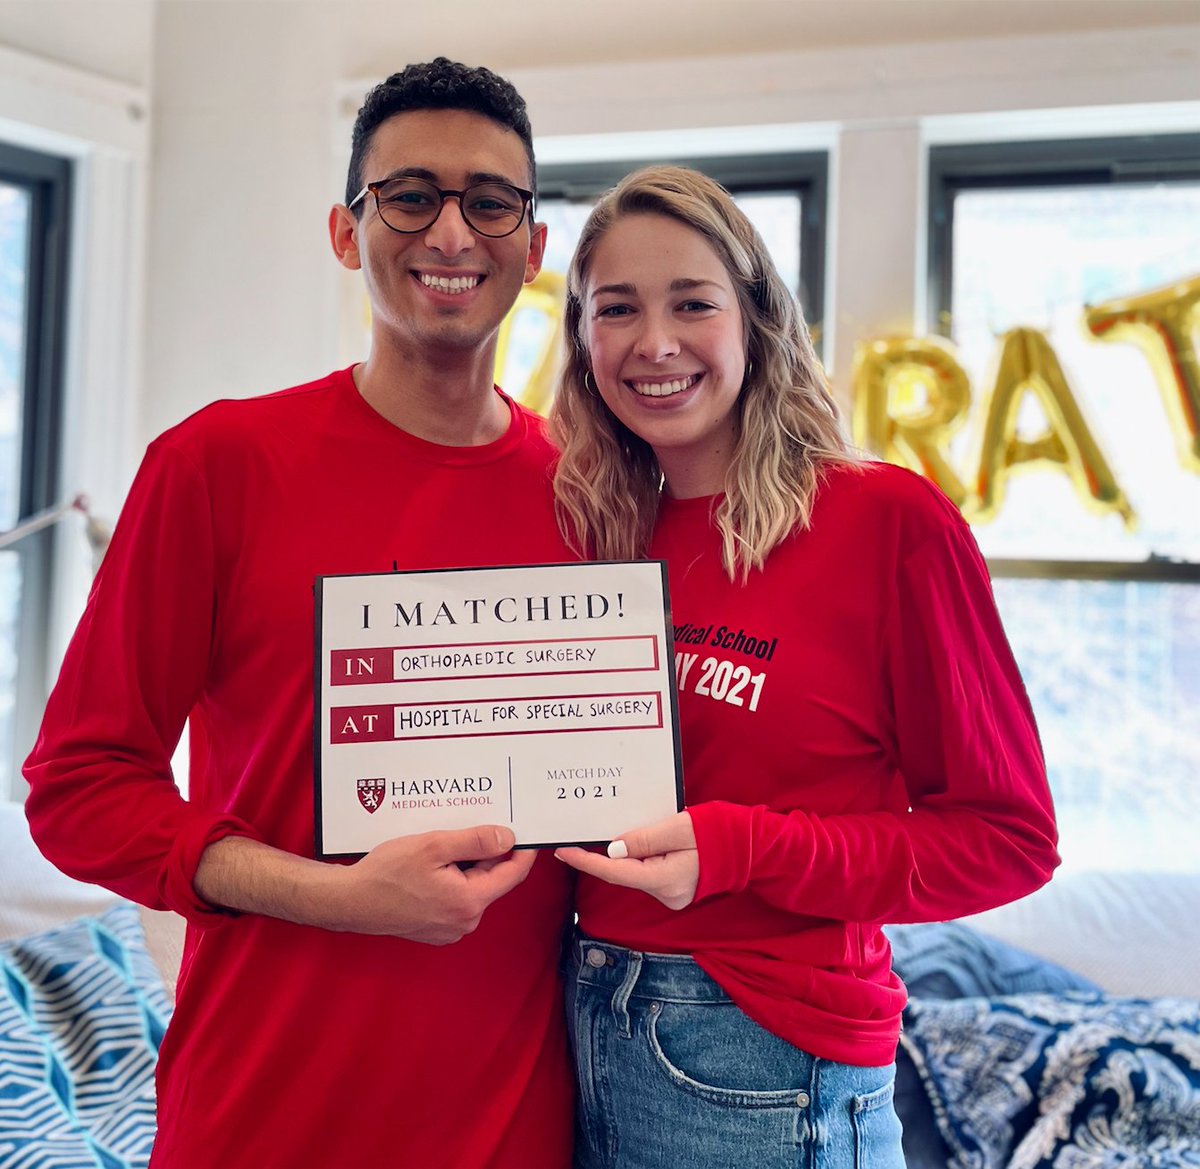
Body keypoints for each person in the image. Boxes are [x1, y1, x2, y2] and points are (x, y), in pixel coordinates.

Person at [24, 59, 575, 1169]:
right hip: (261, 1118)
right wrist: (335, 895)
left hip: (517, 1126)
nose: (452, 232)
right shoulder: (217, 465)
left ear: (535, 244)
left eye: (491, 200)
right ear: (345, 230)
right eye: (410, 195)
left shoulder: (595, 494)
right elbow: (78, 791)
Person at [548, 165, 1060, 1169]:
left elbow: (1010, 841)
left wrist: (746, 848)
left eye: (692, 302)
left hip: (766, 1050)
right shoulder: (597, 531)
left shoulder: (885, 522)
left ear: (756, 319)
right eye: (617, 308)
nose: (654, 342)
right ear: (583, 340)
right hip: (575, 1014)